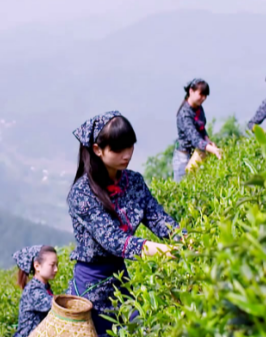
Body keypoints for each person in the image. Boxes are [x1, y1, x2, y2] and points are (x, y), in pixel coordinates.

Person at [66, 111, 186, 337]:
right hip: (92, 283)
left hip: (119, 277)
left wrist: (187, 239)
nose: (127, 154)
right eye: (118, 149)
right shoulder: (82, 193)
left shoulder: (134, 182)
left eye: (130, 146)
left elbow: (159, 219)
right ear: (97, 150)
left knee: (136, 328)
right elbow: (113, 240)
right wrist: (163, 251)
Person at [173, 78, 223, 183]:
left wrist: (208, 140)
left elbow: (201, 129)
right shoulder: (185, 113)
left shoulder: (199, 108)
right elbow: (194, 137)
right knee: (182, 188)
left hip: (196, 154)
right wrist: (212, 150)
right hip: (183, 157)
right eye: (201, 94)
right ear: (191, 91)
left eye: (205, 96)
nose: (203, 98)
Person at [13, 245, 59, 338]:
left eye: (57, 265)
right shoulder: (33, 290)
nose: (56, 269)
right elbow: (55, 305)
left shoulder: (44, 287)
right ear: (37, 266)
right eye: (52, 265)